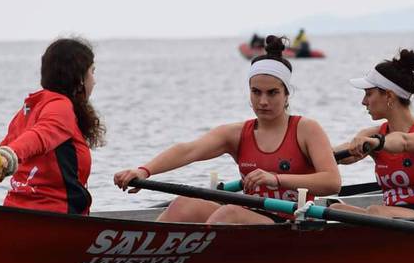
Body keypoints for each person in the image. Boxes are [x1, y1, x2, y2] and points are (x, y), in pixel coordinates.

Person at [113, 35, 341, 224]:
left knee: (228, 213)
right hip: (253, 215)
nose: (262, 101)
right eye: (256, 92)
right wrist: (144, 171)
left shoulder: (306, 129)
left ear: (286, 94)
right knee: (183, 205)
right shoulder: (236, 134)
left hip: (292, 219)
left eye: (272, 93)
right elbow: (188, 150)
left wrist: (277, 179)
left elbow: (332, 181)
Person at [0, 37, 106, 215]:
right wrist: (3, 160)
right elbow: (40, 136)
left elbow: (7, 149)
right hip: (57, 217)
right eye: (92, 72)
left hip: (15, 210)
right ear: (80, 78)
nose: (94, 81)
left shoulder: (29, 108)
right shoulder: (61, 107)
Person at [330, 49, 414, 219]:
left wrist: (377, 143)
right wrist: (317, 155)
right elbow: (347, 154)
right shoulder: (371, 135)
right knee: (335, 209)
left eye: (368, 93)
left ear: (388, 95)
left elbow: (403, 141)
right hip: (390, 219)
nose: (363, 102)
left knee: (376, 211)